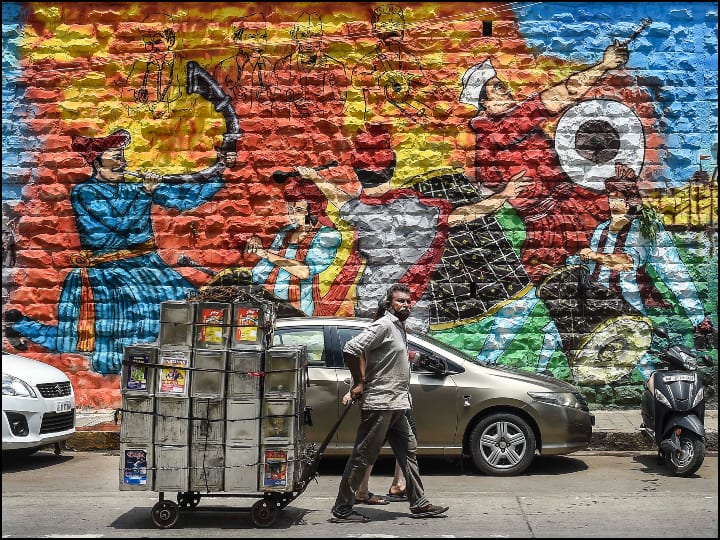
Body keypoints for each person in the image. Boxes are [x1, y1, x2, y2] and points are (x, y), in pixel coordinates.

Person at [4, 129, 235, 373]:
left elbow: (184, 199)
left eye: (122, 156)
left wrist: (220, 170)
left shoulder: (133, 188)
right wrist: (145, 193)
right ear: (97, 161)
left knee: (188, 306)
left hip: (148, 267)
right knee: (81, 339)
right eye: (115, 156)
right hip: (109, 272)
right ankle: (20, 324)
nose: (122, 162)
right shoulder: (84, 192)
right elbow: (117, 227)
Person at [297, 122, 528, 332]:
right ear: (394, 166)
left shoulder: (360, 212)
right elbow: (464, 214)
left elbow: (339, 198)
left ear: (357, 173)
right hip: (412, 307)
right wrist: (503, 195)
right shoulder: (418, 209)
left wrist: (314, 177)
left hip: (370, 307)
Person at [464, 39, 631, 284]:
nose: (507, 90)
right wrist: (604, 65)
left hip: (567, 211)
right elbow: (562, 94)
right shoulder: (501, 129)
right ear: (484, 104)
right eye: (497, 88)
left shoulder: (489, 140)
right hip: (552, 227)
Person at [570, 163, 717, 378]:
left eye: (618, 197)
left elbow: (630, 262)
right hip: (597, 300)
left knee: (639, 353)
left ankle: (657, 388)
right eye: (611, 196)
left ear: (630, 200)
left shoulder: (641, 228)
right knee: (552, 334)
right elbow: (592, 266)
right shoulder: (602, 229)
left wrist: (697, 317)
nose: (613, 201)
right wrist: (575, 260)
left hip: (626, 305)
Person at [330, 283, 448, 523]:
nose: (406, 304)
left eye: (408, 301)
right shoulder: (384, 325)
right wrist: (359, 382)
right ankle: (342, 508)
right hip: (380, 403)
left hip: (397, 404)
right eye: (400, 301)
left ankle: (419, 502)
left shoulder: (399, 327)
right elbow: (352, 348)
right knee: (363, 456)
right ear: (389, 304)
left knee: (409, 451)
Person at [244, 177, 342, 316]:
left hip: (299, 310)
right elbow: (263, 269)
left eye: (298, 209)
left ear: (311, 210)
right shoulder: (285, 233)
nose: (292, 214)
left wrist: (266, 254)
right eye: (290, 208)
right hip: (270, 306)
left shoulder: (327, 236)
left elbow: (304, 271)